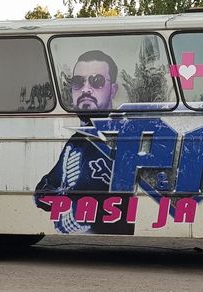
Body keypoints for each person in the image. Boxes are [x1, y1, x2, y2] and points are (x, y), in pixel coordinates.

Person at [34, 50, 133, 235]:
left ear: (113, 90)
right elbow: (42, 190)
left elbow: (97, 206)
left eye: (96, 81)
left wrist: (64, 200)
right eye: (78, 82)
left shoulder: (121, 138)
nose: (86, 89)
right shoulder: (76, 141)